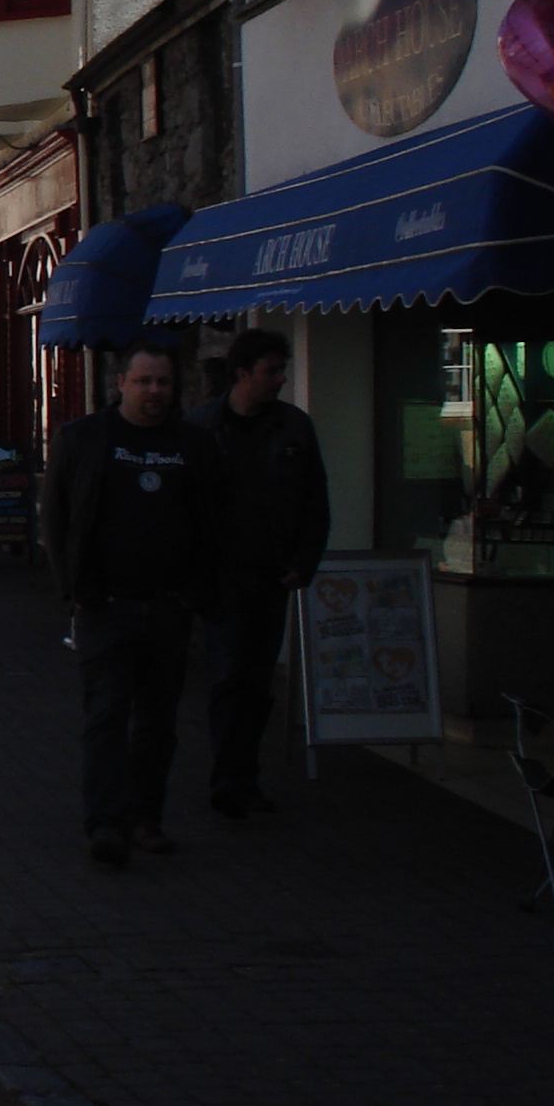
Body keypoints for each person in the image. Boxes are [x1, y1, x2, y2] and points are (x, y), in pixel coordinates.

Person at [43, 341, 223, 869]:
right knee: (105, 716)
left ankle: (147, 818)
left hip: (169, 607)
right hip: (105, 605)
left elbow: (212, 518)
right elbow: (54, 514)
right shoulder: (84, 438)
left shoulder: (193, 443)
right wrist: (71, 587)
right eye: (143, 382)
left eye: (163, 383)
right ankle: (106, 824)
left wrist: (198, 590)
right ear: (121, 382)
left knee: (158, 722)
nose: (153, 392)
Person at [189, 329, 329, 821]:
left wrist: (302, 563)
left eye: (282, 370)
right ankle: (231, 778)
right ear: (242, 373)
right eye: (271, 371)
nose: (281, 380)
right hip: (222, 577)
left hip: (272, 577)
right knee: (229, 675)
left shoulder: (292, 428)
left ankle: (241, 773)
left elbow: (315, 501)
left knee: (255, 681)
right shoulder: (202, 428)